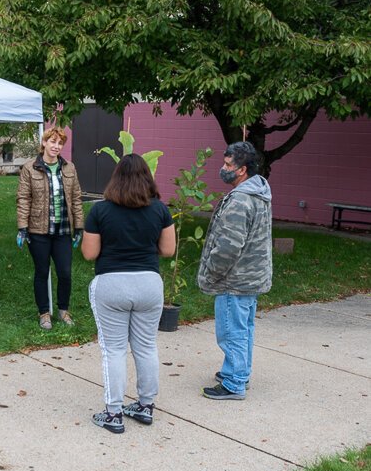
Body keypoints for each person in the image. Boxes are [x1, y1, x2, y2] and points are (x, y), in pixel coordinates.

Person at [81, 154, 176, 434]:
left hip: (112, 284)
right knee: (146, 346)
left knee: (114, 349)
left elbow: (89, 254)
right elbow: (168, 250)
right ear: (148, 178)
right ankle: (145, 406)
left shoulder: (100, 211)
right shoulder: (160, 210)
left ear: (116, 178)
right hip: (149, 283)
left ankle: (113, 413)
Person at [198, 141, 272, 401]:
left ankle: (234, 383)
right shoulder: (259, 192)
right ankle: (239, 371)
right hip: (251, 278)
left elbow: (229, 247)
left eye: (228, 165)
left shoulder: (241, 199)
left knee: (232, 332)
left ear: (242, 170)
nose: (223, 168)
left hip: (235, 280)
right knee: (244, 329)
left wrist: (211, 273)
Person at [16, 127, 84, 330]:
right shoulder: (30, 168)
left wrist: (79, 226)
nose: (56, 146)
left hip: (63, 230)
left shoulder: (69, 168)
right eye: (52, 141)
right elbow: (23, 199)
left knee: (65, 272)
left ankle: (64, 310)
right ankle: (44, 313)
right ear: (44, 143)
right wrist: (22, 227)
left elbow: (77, 199)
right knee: (42, 272)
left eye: (60, 143)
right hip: (38, 231)